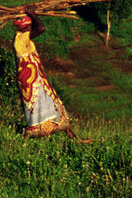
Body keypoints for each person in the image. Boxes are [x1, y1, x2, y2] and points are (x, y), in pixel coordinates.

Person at [13, 9, 86, 140]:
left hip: (32, 76)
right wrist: (33, 14)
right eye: (28, 26)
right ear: (25, 28)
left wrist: (31, 15)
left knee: (48, 100)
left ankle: (70, 135)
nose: (31, 28)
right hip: (31, 78)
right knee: (40, 102)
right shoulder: (22, 39)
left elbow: (36, 28)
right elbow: (41, 28)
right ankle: (38, 130)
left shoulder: (21, 37)